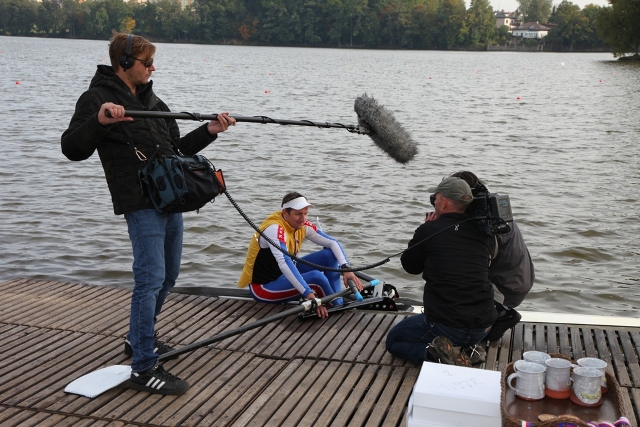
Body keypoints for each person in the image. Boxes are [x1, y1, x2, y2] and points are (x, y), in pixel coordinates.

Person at [61, 32, 236, 395]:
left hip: (170, 200)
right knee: (150, 279)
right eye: (147, 62)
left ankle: (138, 338)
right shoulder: (96, 98)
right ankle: (143, 367)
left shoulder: (153, 101)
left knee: (168, 276)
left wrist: (210, 130)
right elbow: (71, 148)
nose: (153, 68)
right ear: (125, 63)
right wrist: (100, 121)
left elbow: (177, 149)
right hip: (140, 204)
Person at [385, 177, 497, 366]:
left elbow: (410, 267)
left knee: (394, 340)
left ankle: (435, 354)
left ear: (444, 202)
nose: (434, 202)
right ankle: (470, 348)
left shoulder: (430, 230)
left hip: (448, 326)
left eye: (435, 198)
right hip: (484, 326)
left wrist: (424, 229)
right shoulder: (482, 231)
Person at [237, 192, 363, 318]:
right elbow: (285, 263)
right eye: (298, 214)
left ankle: (335, 297)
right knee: (316, 277)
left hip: (284, 276)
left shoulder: (301, 225)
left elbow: (332, 243)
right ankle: (337, 305)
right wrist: (309, 295)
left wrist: (346, 268)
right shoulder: (274, 229)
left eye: (305, 213)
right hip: (264, 288)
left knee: (329, 255)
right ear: (285, 213)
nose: (303, 219)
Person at [450, 171, 534, 341]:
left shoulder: (484, 225)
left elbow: (473, 271)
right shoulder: (493, 210)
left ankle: (499, 315)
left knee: (454, 275)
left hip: (505, 290)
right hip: (520, 280)